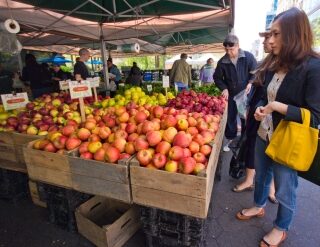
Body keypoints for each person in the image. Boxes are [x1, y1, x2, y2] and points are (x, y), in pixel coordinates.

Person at [236, 8, 320, 247]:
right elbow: (265, 94)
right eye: (269, 34)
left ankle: (281, 227)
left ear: (294, 35)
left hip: (289, 141)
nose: (269, 40)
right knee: (262, 175)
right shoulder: (275, 63)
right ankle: (258, 205)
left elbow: (315, 117)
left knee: (285, 188)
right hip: (265, 133)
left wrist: (276, 106)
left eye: (276, 34)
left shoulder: (314, 68)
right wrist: (261, 107)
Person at [232, 30, 278, 204]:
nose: (266, 42)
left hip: (274, 115)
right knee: (252, 144)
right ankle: (250, 180)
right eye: (267, 38)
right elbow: (256, 79)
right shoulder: (265, 62)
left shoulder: (287, 66)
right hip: (257, 111)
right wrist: (251, 84)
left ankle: (272, 188)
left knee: (275, 151)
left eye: (269, 38)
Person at [213, 34, 257, 152]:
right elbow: (217, 78)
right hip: (232, 95)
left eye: (231, 49)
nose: (229, 52)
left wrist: (251, 82)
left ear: (238, 46)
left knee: (245, 117)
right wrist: (224, 88)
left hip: (245, 94)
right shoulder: (222, 62)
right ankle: (231, 139)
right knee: (231, 118)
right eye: (226, 49)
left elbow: (255, 72)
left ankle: (244, 140)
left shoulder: (248, 57)